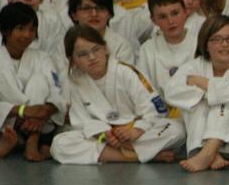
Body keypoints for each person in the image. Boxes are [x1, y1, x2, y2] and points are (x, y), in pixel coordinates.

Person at [51, 24, 183, 165]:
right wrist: (106, 135)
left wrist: (136, 131)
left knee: (176, 130)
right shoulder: (74, 80)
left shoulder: (126, 72)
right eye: (83, 54)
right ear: (72, 60)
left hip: (136, 131)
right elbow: (82, 122)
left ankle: (121, 152)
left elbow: (155, 111)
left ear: (105, 48)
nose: (92, 57)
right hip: (106, 136)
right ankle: (140, 156)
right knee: (60, 144)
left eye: (96, 49)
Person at [165, 15, 229, 173]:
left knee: (224, 103)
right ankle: (210, 153)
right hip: (199, 135)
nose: (225, 44)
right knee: (201, 103)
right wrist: (208, 95)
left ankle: (207, 152)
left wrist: (203, 83)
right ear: (206, 44)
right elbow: (171, 92)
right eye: (217, 39)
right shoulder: (193, 66)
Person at [0, 1, 62, 161]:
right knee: (1, 78)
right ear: (5, 30)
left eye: (32, 29)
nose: (27, 35)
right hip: (7, 124)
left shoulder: (42, 58)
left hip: (40, 124)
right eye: (20, 28)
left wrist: (42, 113)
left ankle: (32, 140)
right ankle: (22, 141)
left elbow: (56, 92)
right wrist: (24, 110)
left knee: (39, 81)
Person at [136, 0, 202, 106]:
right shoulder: (147, 49)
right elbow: (143, 91)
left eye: (175, 13)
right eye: (162, 17)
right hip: (162, 111)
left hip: (197, 107)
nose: (170, 21)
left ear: (185, 12)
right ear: (153, 20)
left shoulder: (201, 42)